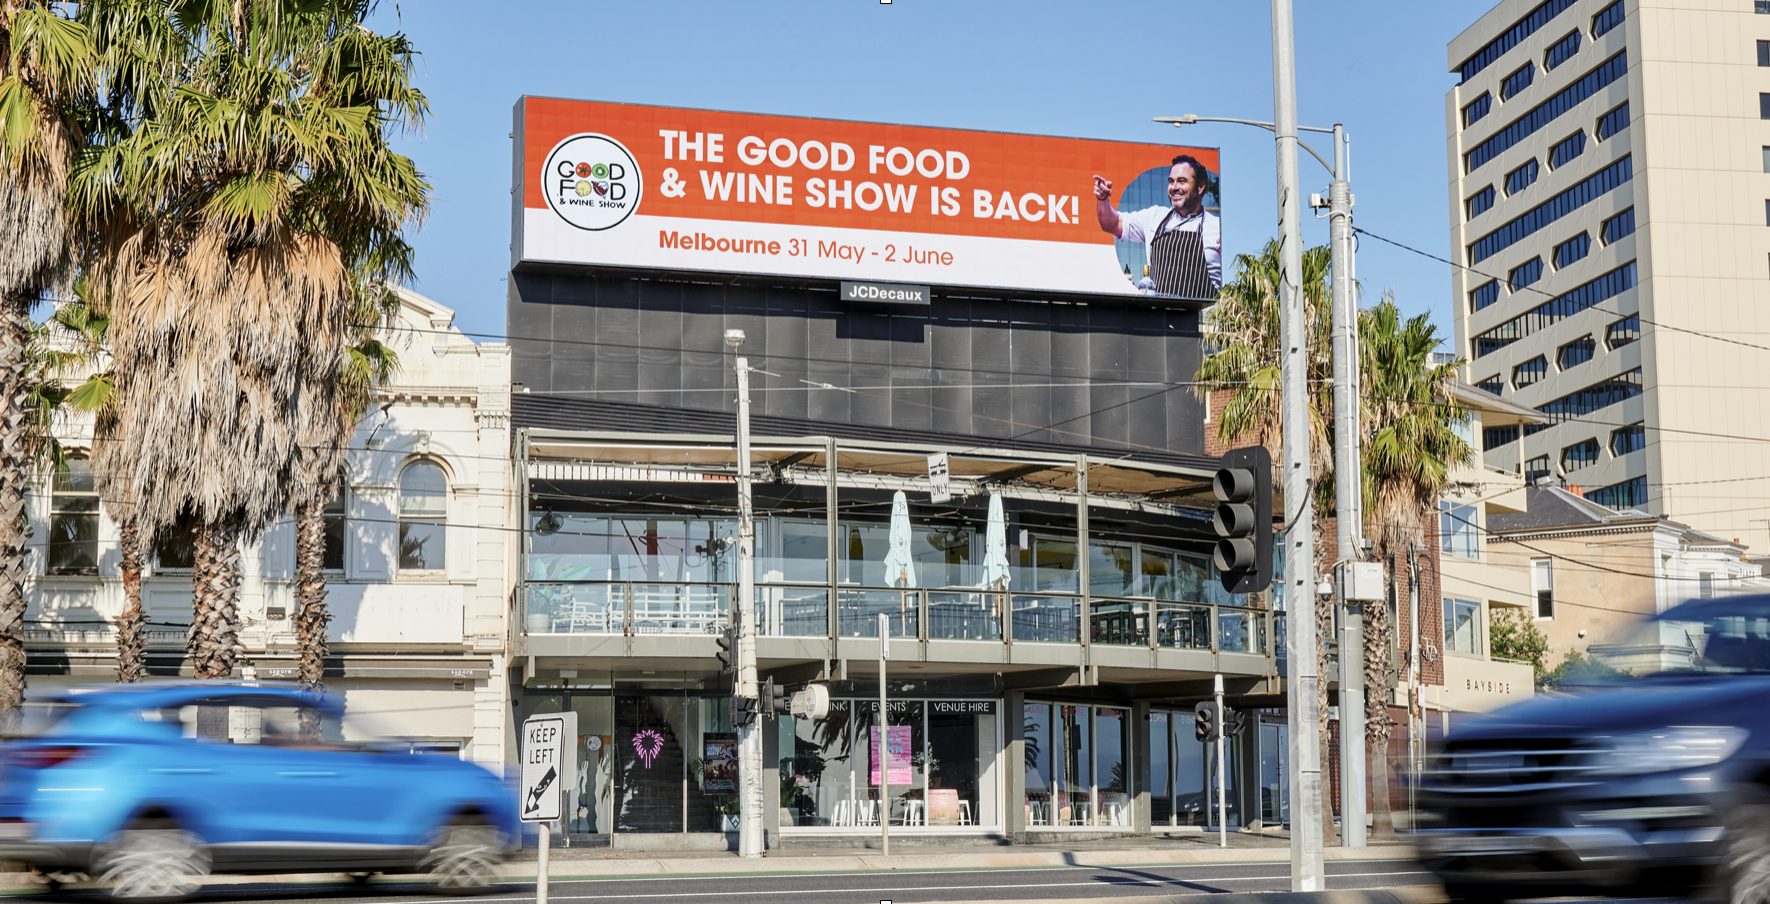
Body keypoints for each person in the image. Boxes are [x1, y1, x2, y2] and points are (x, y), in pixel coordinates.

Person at [1093, 155, 1222, 298]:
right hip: (1160, 317)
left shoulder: (1218, 228)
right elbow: (1112, 224)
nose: (1174, 187)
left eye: (1181, 181)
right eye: (1171, 182)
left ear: (1200, 187)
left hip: (1201, 319)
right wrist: (1102, 199)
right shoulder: (1155, 217)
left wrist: (1229, 251)